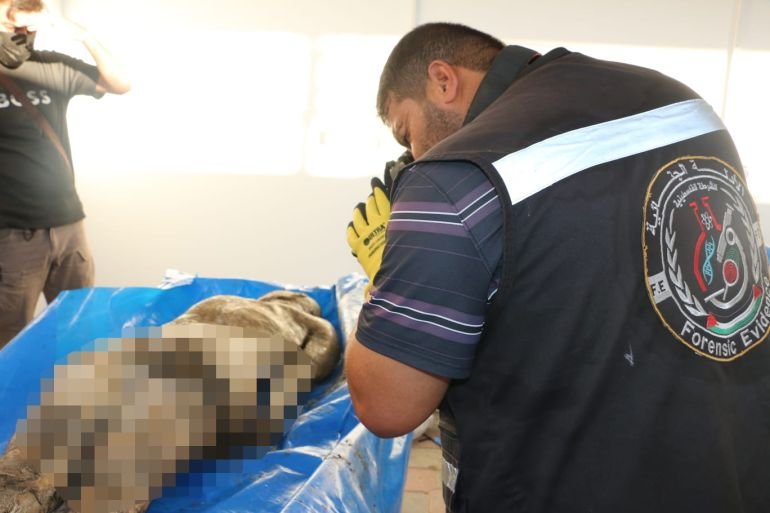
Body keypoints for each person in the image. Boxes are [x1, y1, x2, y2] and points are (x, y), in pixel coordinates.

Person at [344, 22, 770, 513]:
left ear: (443, 81)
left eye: (406, 131)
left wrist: (386, 276)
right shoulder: (682, 106)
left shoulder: (452, 175)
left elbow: (387, 405)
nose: (413, 153)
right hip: (731, 473)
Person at [0, 0, 129, 348]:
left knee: (80, 331)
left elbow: (120, 83)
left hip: (69, 227)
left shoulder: (49, 66)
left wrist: (82, 34)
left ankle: (72, 384)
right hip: (13, 236)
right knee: (9, 339)